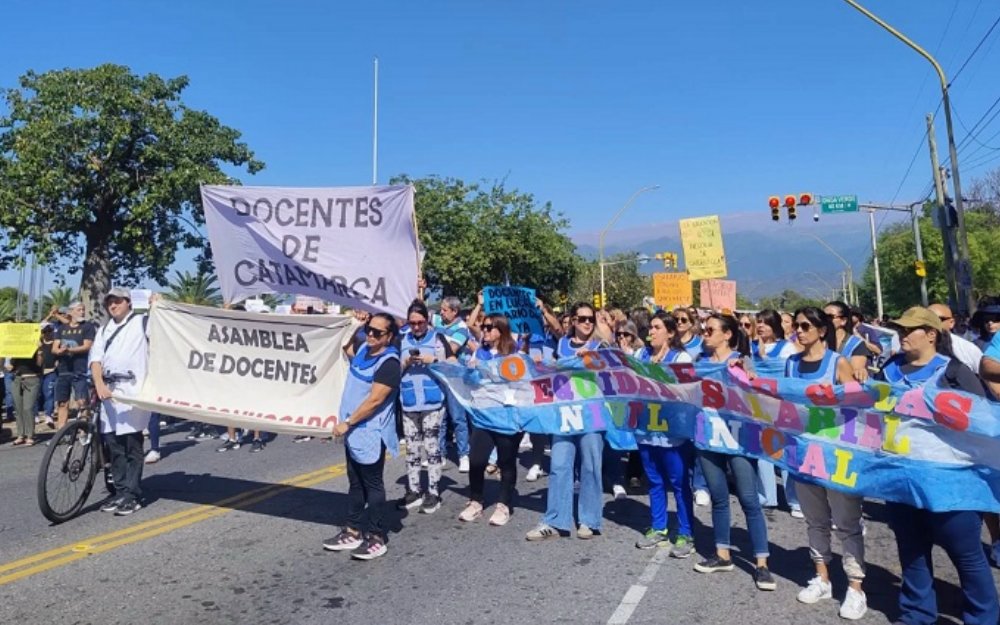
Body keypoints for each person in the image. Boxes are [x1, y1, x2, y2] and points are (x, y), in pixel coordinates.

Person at [878, 306, 997, 625]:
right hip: (900, 478)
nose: (902, 335)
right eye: (900, 330)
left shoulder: (954, 372)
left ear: (931, 334)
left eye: (909, 330)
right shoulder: (888, 369)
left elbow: (982, 424)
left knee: (966, 554)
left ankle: (983, 618)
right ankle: (916, 615)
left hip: (950, 484)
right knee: (912, 550)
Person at [784, 307, 868, 620]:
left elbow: (856, 408)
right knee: (815, 520)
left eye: (805, 325)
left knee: (847, 523)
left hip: (836, 456)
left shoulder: (838, 363)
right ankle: (822, 578)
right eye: (796, 325)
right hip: (803, 454)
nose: (799, 330)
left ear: (822, 331)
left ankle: (856, 588)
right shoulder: (791, 364)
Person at [692, 313, 776, 591]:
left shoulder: (741, 360)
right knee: (719, 498)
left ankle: (762, 564)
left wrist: (745, 374)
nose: (705, 334)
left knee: (749, 499)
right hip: (708, 437)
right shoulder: (699, 362)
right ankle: (723, 554)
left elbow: (756, 388)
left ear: (727, 334)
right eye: (704, 329)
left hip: (738, 440)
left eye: (710, 330)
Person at [526, 302, 607, 541]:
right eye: (582, 318)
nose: (587, 323)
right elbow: (546, 369)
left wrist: (593, 358)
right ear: (573, 320)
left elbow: (612, 370)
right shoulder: (561, 344)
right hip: (564, 414)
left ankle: (589, 520)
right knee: (560, 465)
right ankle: (555, 520)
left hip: (592, 414)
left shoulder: (600, 345)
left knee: (591, 466)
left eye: (591, 319)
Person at [324, 312, 401, 561]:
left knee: (372, 484)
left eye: (377, 332)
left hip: (369, 432)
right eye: (369, 329)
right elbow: (345, 345)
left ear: (389, 336)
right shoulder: (363, 352)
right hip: (353, 431)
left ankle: (377, 537)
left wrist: (348, 423)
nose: (371, 334)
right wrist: (354, 322)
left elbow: (375, 401)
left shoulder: (389, 363)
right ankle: (353, 531)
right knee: (355, 482)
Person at [633, 312, 695, 557]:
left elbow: (687, 390)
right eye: (650, 327)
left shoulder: (681, 357)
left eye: (657, 327)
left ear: (670, 333)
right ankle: (658, 527)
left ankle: (686, 532)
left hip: (672, 431)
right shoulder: (640, 354)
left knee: (679, 483)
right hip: (646, 427)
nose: (651, 331)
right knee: (654, 480)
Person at [89, 288, 152, 516]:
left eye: (117, 301)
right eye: (110, 303)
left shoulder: (143, 322)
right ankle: (120, 491)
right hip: (109, 392)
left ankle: (133, 494)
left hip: (132, 392)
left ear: (128, 302)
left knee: (131, 444)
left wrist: (159, 303)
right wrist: (99, 384)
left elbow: (168, 328)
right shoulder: (104, 329)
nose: (113, 306)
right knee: (113, 445)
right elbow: (95, 359)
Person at [459, 314, 522, 526]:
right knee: (476, 460)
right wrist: (471, 369)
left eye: (488, 327)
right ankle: (476, 501)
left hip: (506, 416)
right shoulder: (479, 352)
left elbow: (520, 381)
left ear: (500, 331)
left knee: (506, 461)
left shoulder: (514, 353)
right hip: (484, 416)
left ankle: (504, 504)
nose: (484, 331)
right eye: (483, 327)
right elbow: (469, 382)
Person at [398, 300, 452, 514]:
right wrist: (406, 363)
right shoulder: (402, 340)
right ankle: (414, 490)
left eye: (420, 322)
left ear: (427, 320)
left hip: (432, 401)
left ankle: (433, 491)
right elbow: (392, 369)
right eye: (412, 323)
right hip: (409, 401)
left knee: (431, 446)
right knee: (412, 448)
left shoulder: (438, 338)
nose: (416, 327)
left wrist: (434, 360)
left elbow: (453, 364)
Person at [750, 309, 800, 515]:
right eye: (759, 322)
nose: (761, 326)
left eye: (765, 322)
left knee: (786, 452)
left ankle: (794, 500)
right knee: (763, 451)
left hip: (782, 405)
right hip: (758, 405)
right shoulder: (751, 346)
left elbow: (791, 377)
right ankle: (766, 496)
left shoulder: (787, 347)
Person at [437, 296, 472, 472]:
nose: (441, 313)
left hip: (455, 378)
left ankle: (463, 454)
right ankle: (440, 454)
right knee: (440, 417)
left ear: (454, 311)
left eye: (444, 310)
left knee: (458, 417)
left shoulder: (461, 328)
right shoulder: (438, 322)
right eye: (441, 309)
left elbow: (450, 349)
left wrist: (437, 341)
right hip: (439, 376)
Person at [53, 301, 96, 429]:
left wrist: (69, 350)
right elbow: (54, 348)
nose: (82, 312)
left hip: (80, 369)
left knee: (82, 402)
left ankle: (84, 429)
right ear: (70, 312)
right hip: (63, 370)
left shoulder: (87, 326)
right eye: (79, 310)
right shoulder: (62, 329)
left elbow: (87, 346)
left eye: (83, 309)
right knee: (62, 402)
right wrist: (59, 351)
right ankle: (61, 431)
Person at [929, 302, 982, 374]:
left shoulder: (968, 349)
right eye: (926, 320)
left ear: (951, 323)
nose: (931, 324)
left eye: (937, 320)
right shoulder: (915, 349)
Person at [824, 301, 869, 382]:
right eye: (822, 317)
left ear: (843, 321)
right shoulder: (817, 342)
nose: (825, 320)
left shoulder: (856, 344)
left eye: (830, 317)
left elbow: (854, 376)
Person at [10, 342, 43, 446]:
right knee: (18, 408)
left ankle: (30, 435)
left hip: (32, 379)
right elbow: (10, 366)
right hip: (17, 379)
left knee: (28, 408)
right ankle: (21, 434)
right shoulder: (17, 349)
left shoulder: (35, 347)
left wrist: (39, 351)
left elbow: (39, 364)